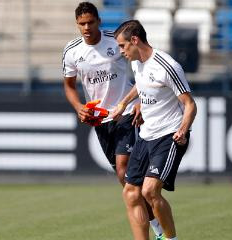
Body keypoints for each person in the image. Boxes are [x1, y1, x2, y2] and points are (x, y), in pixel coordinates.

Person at [62, 2, 164, 239]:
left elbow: (146, 65)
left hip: (126, 112)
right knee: (128, 180)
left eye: (90, 22)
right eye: (81, 24)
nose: (86, 27)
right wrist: (78, 107)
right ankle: (157, 224)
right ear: (77, 25)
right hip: (100, 120)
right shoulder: (71, 51)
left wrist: (141, 101)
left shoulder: (115, 41)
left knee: (123, 170)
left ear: (98, 20)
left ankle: (156, 230)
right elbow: (68, 86)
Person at [113, 20, 197, 240]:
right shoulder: (136, 63)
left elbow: (190, 104)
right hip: (146, 135)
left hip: (169, 135)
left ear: (135, 40)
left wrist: (183, 129)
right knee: (130, 192)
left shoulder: (168, 66)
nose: (121, 51)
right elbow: (142, 86)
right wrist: (126, 103)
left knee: (149, 191)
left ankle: (170, 239)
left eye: (122, 46)